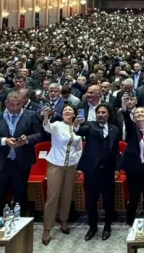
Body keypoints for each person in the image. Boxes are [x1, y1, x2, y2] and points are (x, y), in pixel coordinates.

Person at [0, 88, 44, 216]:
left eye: (18, 104)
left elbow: (39, 134)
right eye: (11, 104)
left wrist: (27, 140)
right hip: (0, 162)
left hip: (22, 162)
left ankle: (21, 223)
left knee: (21, 195)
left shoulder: (31, 115)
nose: (15, 108)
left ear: (23, 103)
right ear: (6, 103)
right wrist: (4, 141)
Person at [40, 103, 84, 245]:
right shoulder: (57, 125)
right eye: (65, 110)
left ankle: (64, 220)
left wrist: (77, 163)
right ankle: (47, 228)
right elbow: (47, 127)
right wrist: (46, 116)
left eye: (69, 110)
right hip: (55, 164)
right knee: (52, 195)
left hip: (71, 165)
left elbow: (79, 148)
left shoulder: (77, 128)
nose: (66, 111)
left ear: (74, 114)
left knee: (67, 194)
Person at [76, 103, 120, 241]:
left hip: (108, 170)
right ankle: (92, 226)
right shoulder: (90, 125)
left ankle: (107, 227)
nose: (100, 115)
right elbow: (79, 131)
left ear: (108, 114)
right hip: (92, 170)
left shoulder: (114, 129)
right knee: (91, 200)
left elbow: (116, 151)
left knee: (108, 200)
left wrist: (117, 168)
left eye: (103, 112)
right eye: (98, 112)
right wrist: (76, 125)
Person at [120, 93, 144, 226]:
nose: (140, 114)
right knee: (134, 196)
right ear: (134, 117)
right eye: (137, 113)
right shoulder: (132, 129)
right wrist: (125, 107)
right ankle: (130, 221)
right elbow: (126, 117)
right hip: (135, 169)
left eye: (142, 112)